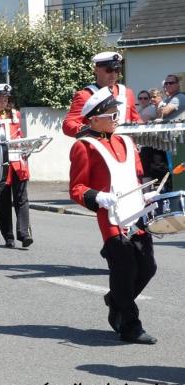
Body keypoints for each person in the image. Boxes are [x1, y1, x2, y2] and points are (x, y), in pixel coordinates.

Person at [69, 86, 157, 345]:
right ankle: (130, 325)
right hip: (111, 218)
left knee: (148, 268)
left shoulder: (126, 141)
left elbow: (136, 176)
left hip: (136, 213)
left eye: (116, 112)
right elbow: (76, 188)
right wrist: (97, 197)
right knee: (126, 268)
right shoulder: (84, 147)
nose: (116, 117)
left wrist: (147, 195)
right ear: (94, 118)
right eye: (110, 113)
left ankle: (116, 298)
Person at [0, 83, 32, 248]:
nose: (4, 102)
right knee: (3, 201)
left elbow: (21, 135)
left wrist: (27, 147)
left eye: (6, 99)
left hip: (18, 163)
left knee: (22, 198)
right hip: (0, 164)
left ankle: (24, 233)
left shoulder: (16, 115)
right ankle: (8, 237)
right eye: (0, 99)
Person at [63, 51, 141, 137]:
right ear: (96, 70)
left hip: (124, 145)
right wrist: (91, 131)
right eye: (109, 70)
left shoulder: (127, 92)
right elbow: (68, 125)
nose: (113, 75)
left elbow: (135, 119)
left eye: (117, 70)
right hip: (100, 145)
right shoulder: (85, 95)